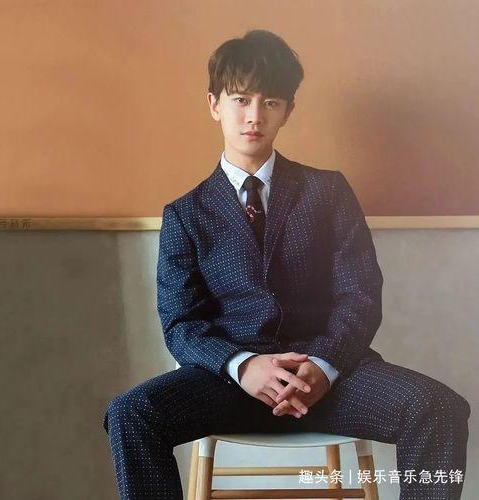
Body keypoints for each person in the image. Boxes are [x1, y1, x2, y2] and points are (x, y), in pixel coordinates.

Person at [102, 29, 470, 499]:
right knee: (131, 413)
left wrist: (323, 365)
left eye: (270, 102)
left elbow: (360, 296)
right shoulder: (185, 213)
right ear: (214, 104)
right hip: (231, 386)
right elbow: (181, 324)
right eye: (241, 100)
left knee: (439, 408)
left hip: (329, 381)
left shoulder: (328, 191)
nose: (254, 116)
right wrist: (244, 366)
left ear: (288, 110)